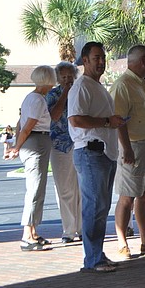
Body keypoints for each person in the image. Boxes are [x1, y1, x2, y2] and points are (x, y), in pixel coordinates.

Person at [68, 42, 127, 273]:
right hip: (91, 152)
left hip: (104, 153)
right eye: (96, 58)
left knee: (100, 207)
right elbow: (76, 120)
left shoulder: (97, 87)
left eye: (103, 57)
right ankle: (93, 259)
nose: (101, 62)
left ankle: (96, 254)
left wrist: (112, 123)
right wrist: (107, 121)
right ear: (85, 60)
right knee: (94, 206)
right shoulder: (81, 87)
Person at [110, 45, 145, 259]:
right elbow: (118, 121)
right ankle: (122, 242)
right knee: (127, 196)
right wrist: (126, 149)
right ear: (143, 61)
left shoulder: (141, 84)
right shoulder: (123, 85)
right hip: (134, 147)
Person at [7, 65, 58, 251]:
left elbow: (20, 123)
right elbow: (28, 126)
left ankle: (33, 231)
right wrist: (17, 147)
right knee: (35, 190)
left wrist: (17, 145)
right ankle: (27, 235)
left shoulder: (31, 97)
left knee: (38, 189)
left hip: (37, 141)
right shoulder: (37, 100)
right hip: (36, 143)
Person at [46, 61, 83, 243]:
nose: (68, 79)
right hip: (60, 145)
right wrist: (65, 94)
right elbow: (53, 115)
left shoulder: (81, 91)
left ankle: (83, 228)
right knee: (64, 188)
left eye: (70, 76)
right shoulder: (52, 94)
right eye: (64, 77)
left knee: (81, 188)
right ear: (58, 78)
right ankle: (69, 230)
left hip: (81, 143)